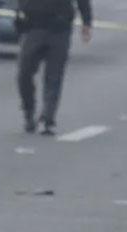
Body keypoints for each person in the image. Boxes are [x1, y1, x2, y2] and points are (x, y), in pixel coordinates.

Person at [16, 0, 92, 134]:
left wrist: (87, 22)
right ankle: (29, 110)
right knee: (24, 73)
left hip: (59, 27)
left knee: (54, 76)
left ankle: (47, 118)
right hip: (33, 26)